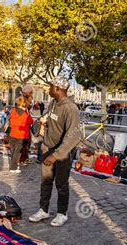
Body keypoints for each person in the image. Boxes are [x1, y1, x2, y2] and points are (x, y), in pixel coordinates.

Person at [28, 76, 81, 227]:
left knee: (61, 184)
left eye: (50, 87)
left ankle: (62, 213)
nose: (49, 89)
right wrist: (42, 126)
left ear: (57, 88)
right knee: (45, 182)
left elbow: (73, 136)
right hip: (47, 149)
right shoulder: (52, 103)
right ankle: (43, 210)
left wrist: (56, 155)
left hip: (62, 154)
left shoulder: (71, 109)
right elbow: (50, 123)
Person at [8, 96, 33, 173]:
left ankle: (15, 165)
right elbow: (30, 121)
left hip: (12, 133)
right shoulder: (24, 114)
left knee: (13, 150)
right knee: (17, 152)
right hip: (21, 135)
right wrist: (27, 113)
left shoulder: (13, 111)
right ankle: (13, 167)